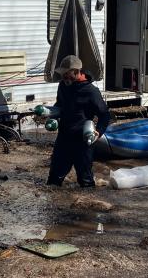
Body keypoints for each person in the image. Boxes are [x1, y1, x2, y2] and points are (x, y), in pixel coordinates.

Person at [46, 55, 110, 187]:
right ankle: (53, 206)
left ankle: (87, 206)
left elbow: (104, 115)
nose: (63, 77)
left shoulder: (91, 92)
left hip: (83, 141)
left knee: (85, 181)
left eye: (66, 74)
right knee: (53, 180)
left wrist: (99, 131)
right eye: (62, 74)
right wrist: (50, 116)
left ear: (76, 72)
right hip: (63, 138)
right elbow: (59, 105)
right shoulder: (63, 86)